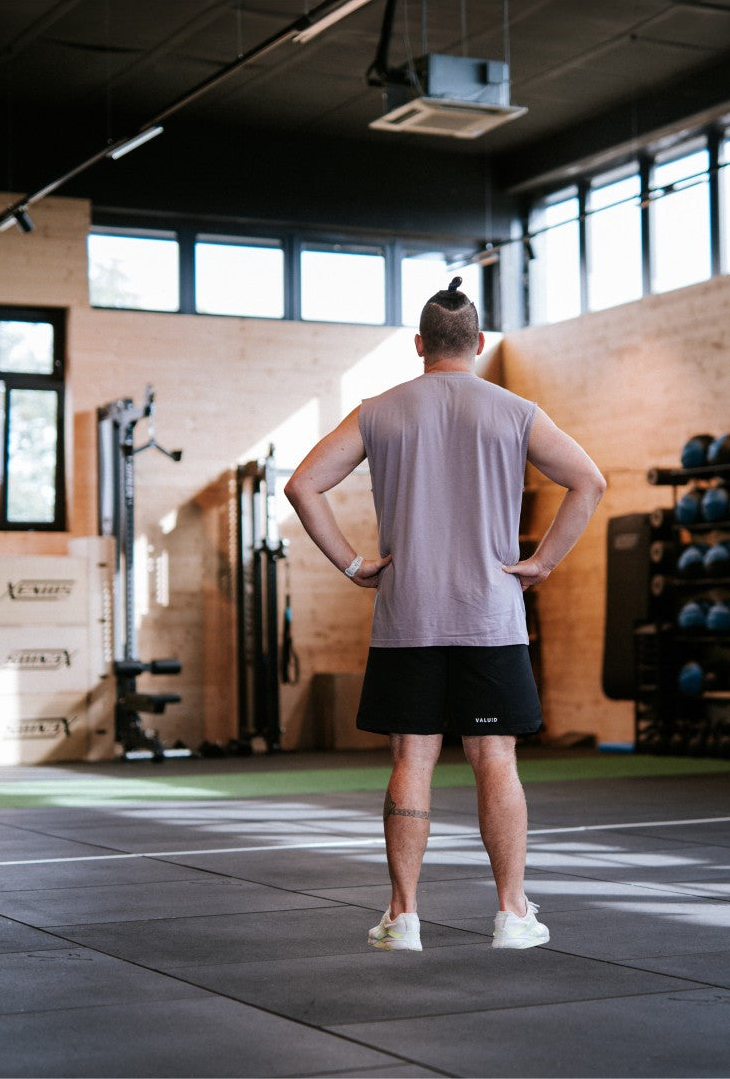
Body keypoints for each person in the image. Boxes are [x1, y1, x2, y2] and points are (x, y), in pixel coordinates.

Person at [285, 276, 605, 952]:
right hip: (490, 613)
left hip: (408, 616)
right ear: (480, 344)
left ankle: (402, 916)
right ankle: (512, 914)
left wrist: (352, 565)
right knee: (496, 758)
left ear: (419, 345)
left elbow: (302, 484)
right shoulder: (514, 409)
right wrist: (542, 562)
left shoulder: (379, 410)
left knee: (413, 758)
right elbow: (589, 481)